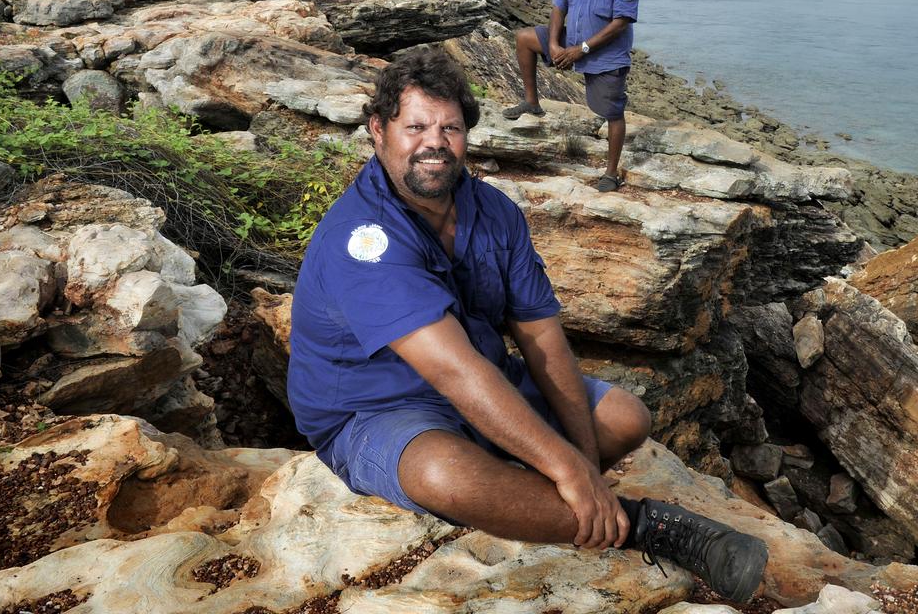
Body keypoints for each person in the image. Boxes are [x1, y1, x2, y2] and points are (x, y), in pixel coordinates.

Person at [287, 49, 768, 603]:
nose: (434, 142)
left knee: (623, 416)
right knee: (446, 475)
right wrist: (564, 465)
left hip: (486, 380)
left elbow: (541, 337)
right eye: (415, 126)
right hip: (377, 409)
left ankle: (533, 499)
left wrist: (584, 463)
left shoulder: (493, 211)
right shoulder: (363, 238)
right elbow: (456, 372)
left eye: (451, 127)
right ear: (378, 130)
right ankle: (648, 526)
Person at [503, 0, 640, 193]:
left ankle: (611, 172)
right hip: (572, 40)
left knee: (612, 112)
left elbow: (620, 22)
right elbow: (559, 6)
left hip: (604, 54)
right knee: (525, 38)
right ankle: (532, 102)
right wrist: (554, 44)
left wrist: (582, 49)